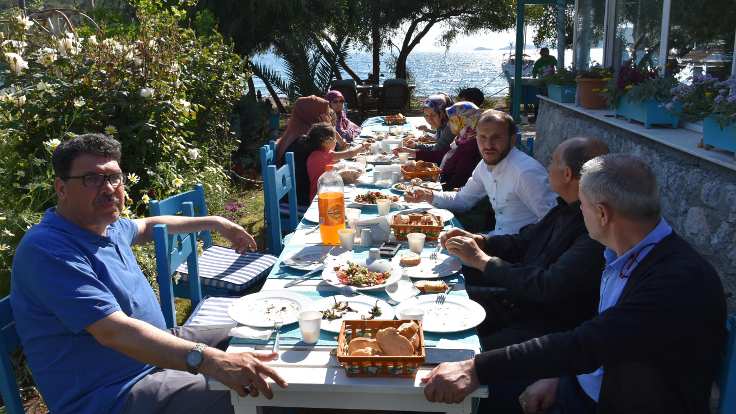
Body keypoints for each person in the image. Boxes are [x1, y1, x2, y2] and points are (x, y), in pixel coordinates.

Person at [422, 154, 726, 414]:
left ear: (602, 213)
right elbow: (604, 343)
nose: (577, 212)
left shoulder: (675, 280)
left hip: (615, 403)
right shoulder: (627, 255)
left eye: (581, 204)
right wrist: (561, 377)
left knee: (478, 399)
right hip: (587, 383)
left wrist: (476, 368)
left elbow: (589, 342)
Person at [11, 134, 288, 414]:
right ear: (61, 188)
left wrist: (215, 223)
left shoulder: (107, 224)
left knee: (262, 334)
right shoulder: (48, 249)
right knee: (269, 391)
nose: (108, 188)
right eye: (92, 179)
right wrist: (209, 360)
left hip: (154, 347)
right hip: (112, 393)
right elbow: (113, 332)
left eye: (114, 177)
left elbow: (149, 225)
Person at [439, 137, 609, 414]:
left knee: (453, 356)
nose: (546, 167)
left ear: (566, 174)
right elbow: (524, 241)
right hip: (517, 302)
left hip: (543, 326)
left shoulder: (592, 230)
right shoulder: (566, 208)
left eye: (552, 161)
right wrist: (480, 240)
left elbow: (548, 286)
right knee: (442, 300)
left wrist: (482, 261)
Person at [405, 109, 557, 236]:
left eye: (496, 138)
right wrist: (428, 195)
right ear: (475, 137)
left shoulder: (526, 172)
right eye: (482, 137)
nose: (488, 145)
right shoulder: (485, 165)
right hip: (497, 240)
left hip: (520, 254)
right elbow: (463, 200)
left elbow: (554, 223)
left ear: (512, 140)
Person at [273, 95, 331, 206]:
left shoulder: (294, 132)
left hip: (292, 193)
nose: (328, 116)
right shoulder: (306, 140)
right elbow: (330, 154)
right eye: (325, 113)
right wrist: (328, 127)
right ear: (314, 115)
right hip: (301, 199)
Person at [304, 122, 370, 199]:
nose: (336, 141)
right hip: (320, 195)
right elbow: (350, 153)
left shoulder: (319, 154)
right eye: (334, 139)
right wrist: (363, 145)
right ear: (326, 141)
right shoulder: (323, 156)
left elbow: (339, 161)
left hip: (327, 189)